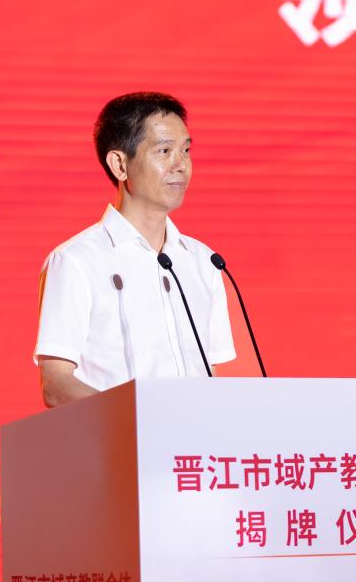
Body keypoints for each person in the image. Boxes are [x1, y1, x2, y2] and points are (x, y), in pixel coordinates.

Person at [33, 92, 235, 407]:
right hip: (120, 436)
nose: (181, 165)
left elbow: (212, 375)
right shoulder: (76, 261)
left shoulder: (204, 261)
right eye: (164, 151)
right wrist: (140, 418)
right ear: (120, 164)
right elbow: (56, 386)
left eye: (185, 150)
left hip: (192, 438)